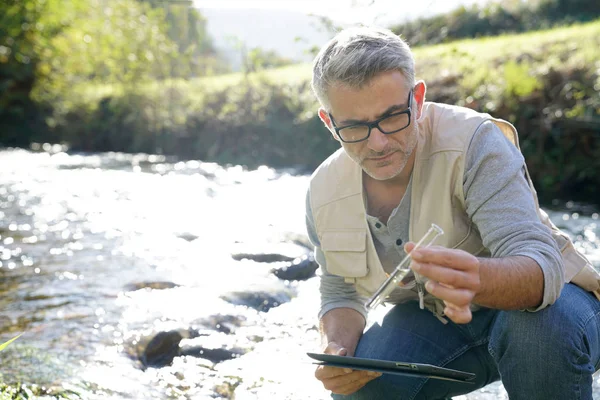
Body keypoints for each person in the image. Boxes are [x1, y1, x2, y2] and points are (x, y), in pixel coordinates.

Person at [304, 26, 600, 400]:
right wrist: (337, 351)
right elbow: (339, 291)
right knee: (363, 382)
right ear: (329, 123)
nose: (377, 142)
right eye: (354, 127)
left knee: (543, 334)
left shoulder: (474, 141)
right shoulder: (322, 191)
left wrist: (476, 279)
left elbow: (542, 265)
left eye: (393, 116)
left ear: (418, 99)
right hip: (435, 320)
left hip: (550, 309)